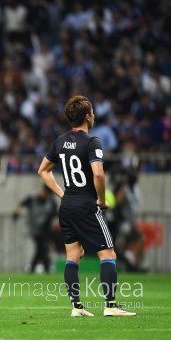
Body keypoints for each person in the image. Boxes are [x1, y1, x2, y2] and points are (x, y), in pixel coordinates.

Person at [38, 95, 136, 317]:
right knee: (108, 253)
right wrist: (101, 200)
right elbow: (98, 174)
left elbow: (42, 171)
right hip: (85, 203)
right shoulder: (92, 142)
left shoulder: (60, 141)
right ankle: (111, 305)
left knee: (73, 255)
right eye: (92, 112)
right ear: (88, 116)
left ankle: (76, 307)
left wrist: (62, 194)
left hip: (67, 205)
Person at [12, 185, 56, 273]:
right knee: (41, 248)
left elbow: (55, 214)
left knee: (43, 249)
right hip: (34, 228)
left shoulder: (51, 201)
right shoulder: (33, 198)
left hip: (46, 229)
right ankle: (39, 267)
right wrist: (16, 213)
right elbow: (20, 204)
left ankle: (43, 267)